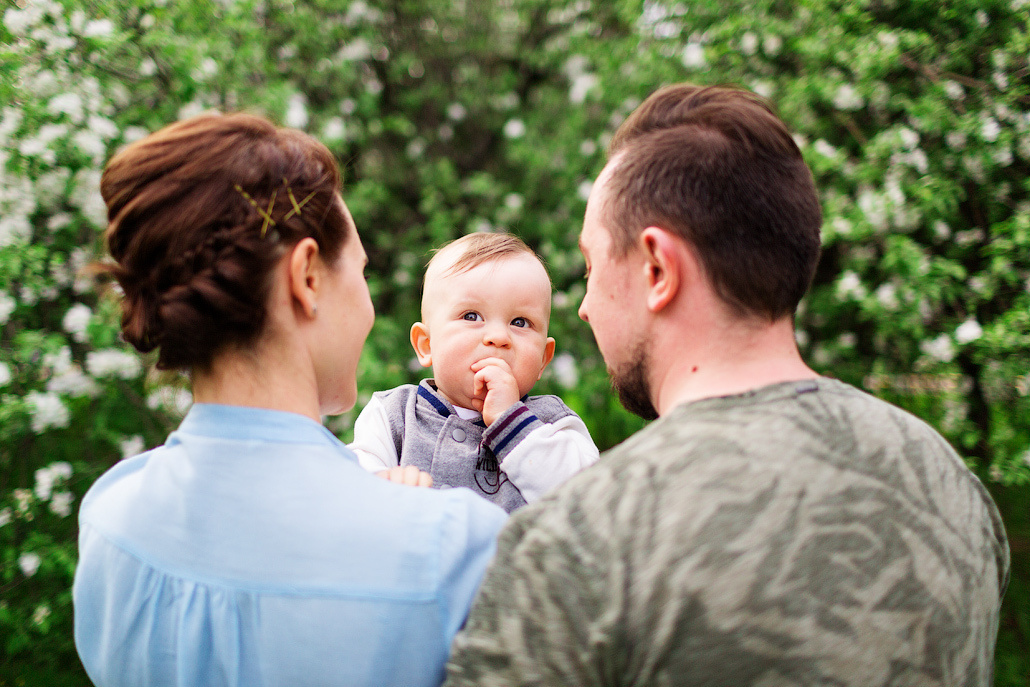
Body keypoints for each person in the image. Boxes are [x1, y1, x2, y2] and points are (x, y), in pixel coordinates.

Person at [444, 84, 1010, 686]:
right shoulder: (954, 489)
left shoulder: (583, 536)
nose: (584, 308)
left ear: (657, 270)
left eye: (592, 269)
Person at [72, 112, 507, 687]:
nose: (370, 307)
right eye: (360, 271)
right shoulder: (454, 551)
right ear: (307, 278)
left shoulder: (111, 519)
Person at [350, 232, 599, 512]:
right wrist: (385, 486)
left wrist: (511, 422)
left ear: (543, 359)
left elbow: (588, 497)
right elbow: (351, 487)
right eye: (471, 316)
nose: (497, 336)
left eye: (520, 322)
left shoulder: (554, 423)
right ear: (426, 345)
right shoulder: (393, 415)